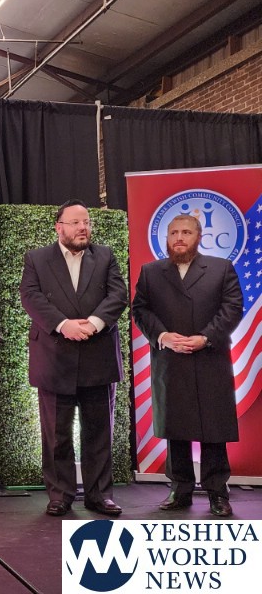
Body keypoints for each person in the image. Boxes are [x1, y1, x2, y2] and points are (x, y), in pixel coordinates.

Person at [19, 199, 128, 517]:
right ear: (59, 227)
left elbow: (118, 295)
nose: (83, 227)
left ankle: (99, 495)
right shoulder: (37, 259)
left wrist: (93, 323)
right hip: (54, 357)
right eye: (76, 222)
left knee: (99, 433)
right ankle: (60, 495)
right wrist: (63, 325)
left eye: (87, 222)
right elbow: (30, 296)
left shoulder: (105, 256)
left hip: (98, 356)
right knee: (57, 434)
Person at [132, 213, 243, 517]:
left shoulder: (220, 268)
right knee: (176, 427)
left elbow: (232, 307)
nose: (179, 238)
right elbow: (140, 310)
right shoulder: (151, 272)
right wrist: (163, 336)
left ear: (198, 237)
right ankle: (180, 490)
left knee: (213, 428)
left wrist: (205, 338)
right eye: (173, 233)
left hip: (210, 358)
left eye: (186, 232)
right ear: (166, 238)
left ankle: (217, 493)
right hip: (171, 359)